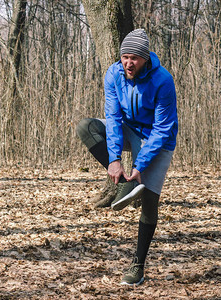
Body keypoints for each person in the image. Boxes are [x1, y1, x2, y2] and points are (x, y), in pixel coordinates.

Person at [76, 28, 178, 286]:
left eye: (134, 58)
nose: (129, 63)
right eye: (125, 57)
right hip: (127, 127)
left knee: (150, 201)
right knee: (86, 126)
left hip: (157, 138)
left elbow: (162, 128)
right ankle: (125, 182)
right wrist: (114, 160)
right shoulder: (113, 74)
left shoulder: (163, 80)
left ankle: (138, 266)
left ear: (145, 59)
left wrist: (141, 164)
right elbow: (112, 117)